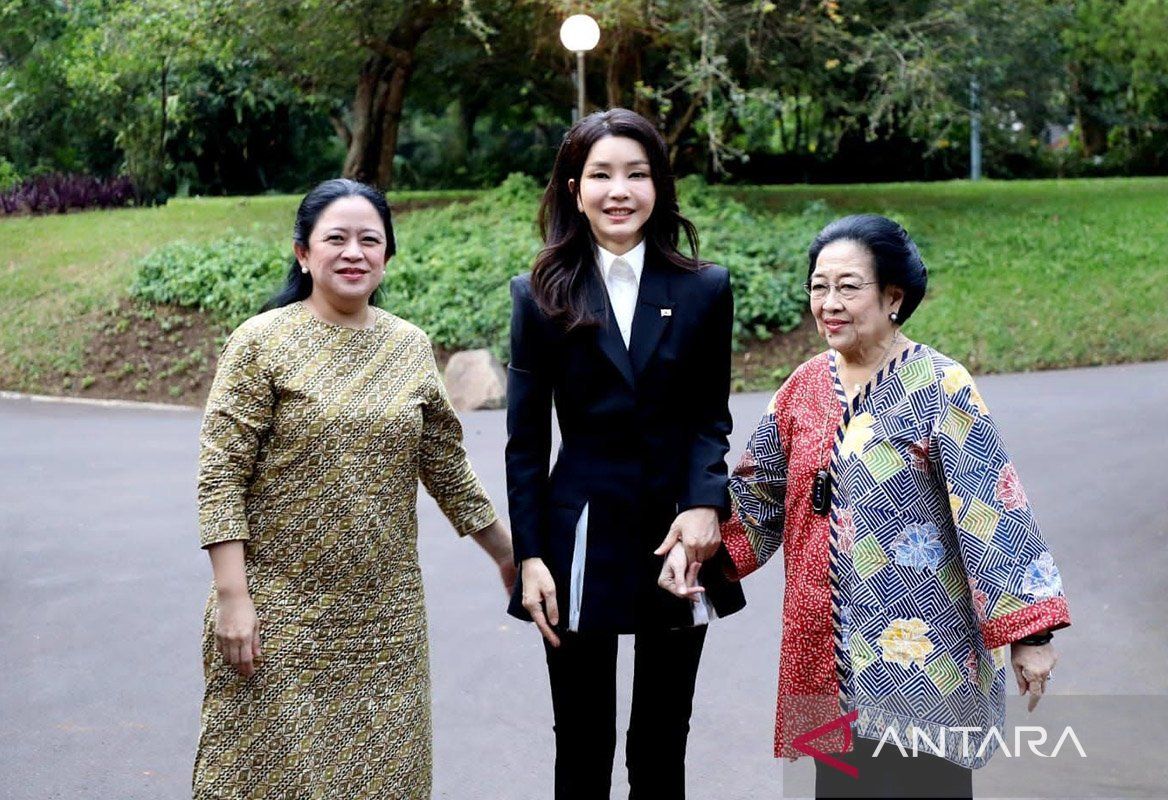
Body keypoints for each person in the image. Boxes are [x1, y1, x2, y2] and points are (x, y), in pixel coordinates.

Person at [682, 214, 1070, 798]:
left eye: (848, 286)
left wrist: (1030, 632)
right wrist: (701, 550)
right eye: (819, 286)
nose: (829, 303)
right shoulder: (803, 387)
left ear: (893, 296)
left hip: (923, 652)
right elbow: (759, 498)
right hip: (825, 649)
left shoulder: (940, 384)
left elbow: (991, 506)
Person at [192, 178, 515, 800]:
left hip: (384, 619)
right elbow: (221, 478)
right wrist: (234, 599)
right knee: (270, 779)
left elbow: (446, 469)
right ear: (303, 253)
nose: (353, 252)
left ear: (387, 255)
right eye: (335, 238)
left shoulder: (408, 346)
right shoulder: (261, 342)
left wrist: (508, 554)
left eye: (370, 240)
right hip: (278, 613)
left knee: (385, 780)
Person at [505, 108, 745, 800]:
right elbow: (526, 445)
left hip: (680, 530)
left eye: (637, 174)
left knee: (662, 738)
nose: (620, 190)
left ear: (659, 186)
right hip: (576, 533)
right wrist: (530, 558)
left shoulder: (705, 287)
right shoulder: (538, 294)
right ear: (574, 189)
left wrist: (705, 504)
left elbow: (710, 414)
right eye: (602, 174)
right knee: (581, 740)